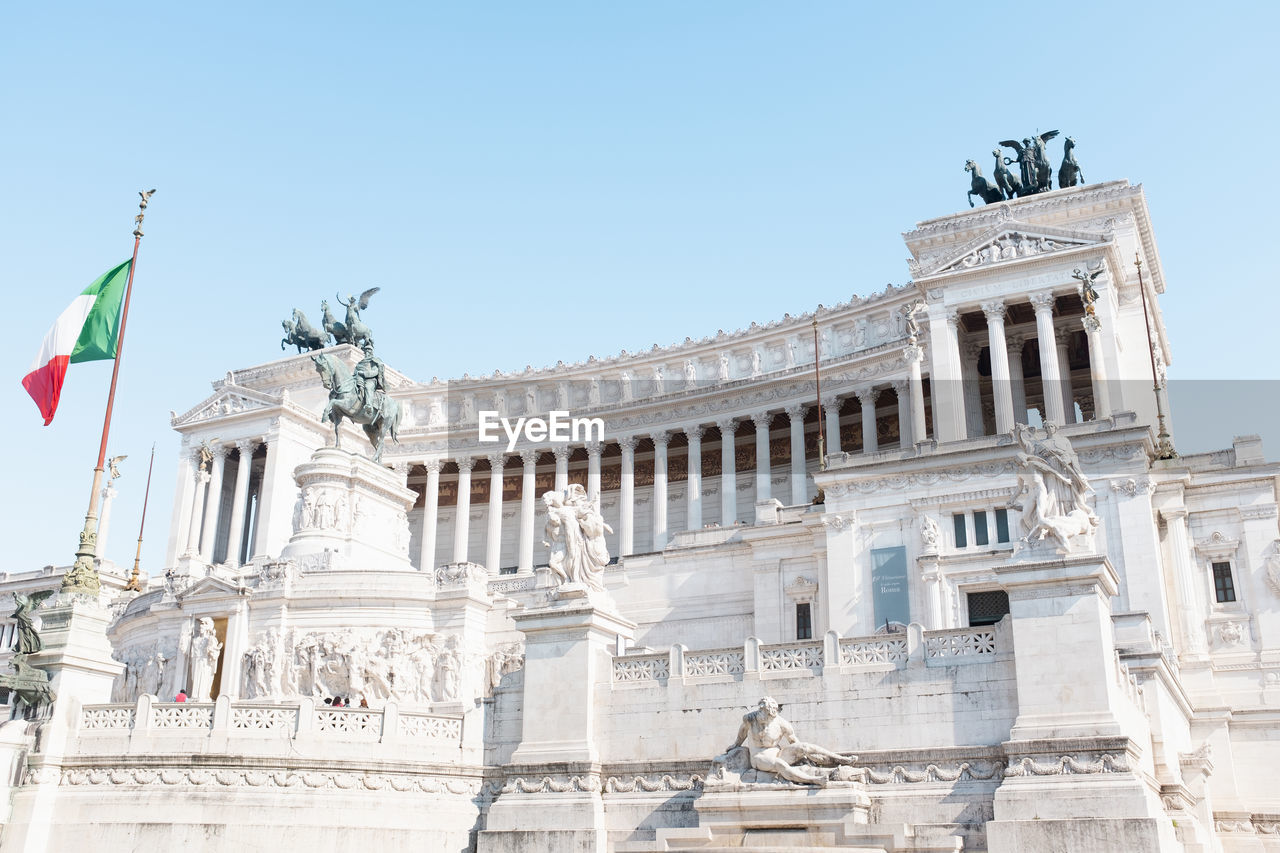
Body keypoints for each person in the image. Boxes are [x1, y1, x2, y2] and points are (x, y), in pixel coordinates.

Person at [728, 696, 856, 786]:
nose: (761, 714)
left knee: (804, 746)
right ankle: (814, 780)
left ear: (772, 714)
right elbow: (742, 734)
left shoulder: (782, 724)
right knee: (779, 764)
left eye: (764, 713)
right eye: (760, 710)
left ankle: (840, 759)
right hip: (758, 757)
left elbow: (795, 742)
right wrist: (735, 745)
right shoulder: (750, 719)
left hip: (777, 753)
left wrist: (803, 756)